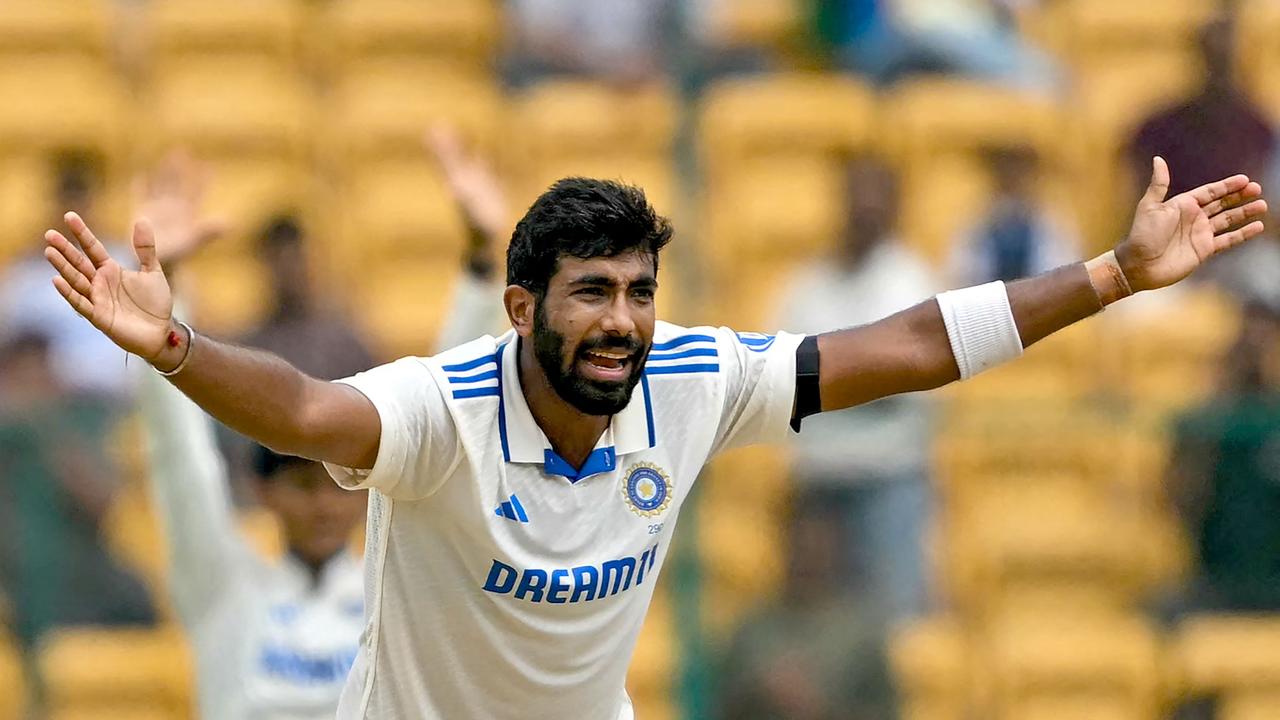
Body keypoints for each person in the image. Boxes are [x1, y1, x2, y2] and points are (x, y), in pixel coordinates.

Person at [41, 152, 1266, 718]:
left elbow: (906, 346)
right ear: (522, 307)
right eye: (590, 293)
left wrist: (1110, 274)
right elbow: (309, 413)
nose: (621, 323)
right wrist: (173, 349)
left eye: (637, 290)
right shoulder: (445, 409)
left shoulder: (691, 377)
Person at [132, 160, 370, 720]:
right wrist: (164, 322)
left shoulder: (393, 591)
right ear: (263, 492)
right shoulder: (224, 586)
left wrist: (481, 270)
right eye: (302, 484)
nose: (322, 505)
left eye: (338, 486)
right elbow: (180, 461)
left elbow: (447, 430)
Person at [776, 156, 937, 624]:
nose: (865, 208)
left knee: (894, 621)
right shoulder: (806, 284)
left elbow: (906, 378)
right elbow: (780, 376)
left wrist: (827, 375)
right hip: (819, 483)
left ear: (894, 206)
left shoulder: (910, 279)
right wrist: (857, 376)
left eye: (876, 197)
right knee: (818, 625)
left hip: (889, 479)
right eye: (857, 196)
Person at [717, 492, 896, 720]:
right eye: (800, 547)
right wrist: (760, 689)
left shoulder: (860, 634)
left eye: (818, 549)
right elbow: (722, 704)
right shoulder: (753, 630)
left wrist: (818, 708)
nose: (808, 558)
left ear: (835, 552)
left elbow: (885, 711)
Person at [947, 145, 1081, 286]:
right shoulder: (977, 222)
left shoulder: (1051, 222)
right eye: (1004, 169)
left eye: (1018, 170)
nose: (1012, 175)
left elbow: (1062, 270)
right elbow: (961, 271)